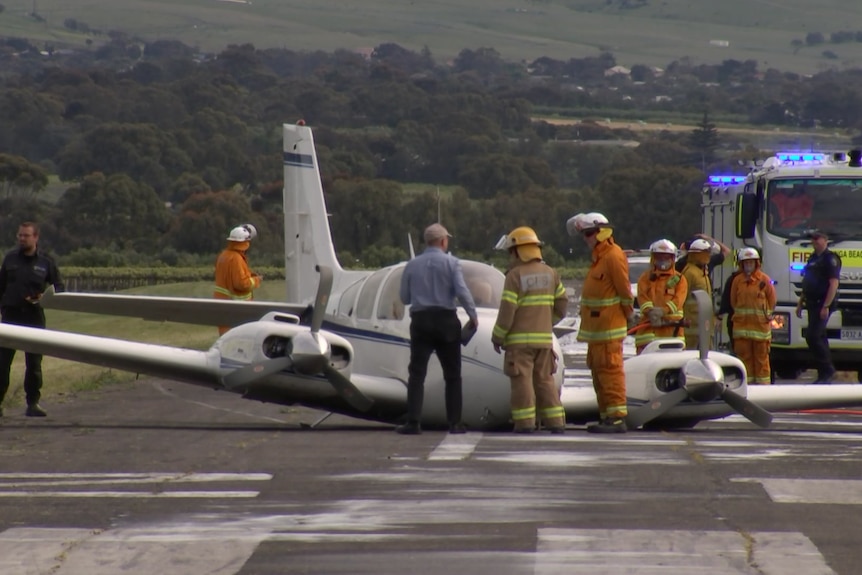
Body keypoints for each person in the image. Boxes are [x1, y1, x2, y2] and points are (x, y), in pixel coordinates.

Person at [397, 223, 477, 435]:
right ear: (443, 241)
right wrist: (473, 315)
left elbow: (404, 297)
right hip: (446, 322)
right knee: (452, 375)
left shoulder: (411, 265)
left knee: (416, 373)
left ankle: (413, 422)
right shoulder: (452, 263)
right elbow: (462, 291)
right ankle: (454, 423)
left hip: (421, 321)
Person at [491, 226, 568, 434]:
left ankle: (525, 423)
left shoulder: (514, 276)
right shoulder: (552, 274)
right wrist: (546, 322)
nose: (509, 257)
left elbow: (507, 312)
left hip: (519, 344)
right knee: (545, 381)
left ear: (518, 251)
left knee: (522, 381)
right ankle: (556, 423)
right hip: (544, 341)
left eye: (510, 253)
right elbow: (562, 305)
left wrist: (497, 337)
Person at [567, 212, 633, 433]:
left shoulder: (613, 255)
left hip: (608, 330)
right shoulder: (599, 257)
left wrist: (627, 315)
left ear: (600, 232)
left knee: (610, 372)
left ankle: (616, 419)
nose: (585, 239)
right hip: (596, 331)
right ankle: (606, 416)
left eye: (588, 234)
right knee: (598, 373)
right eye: (584, 235)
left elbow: (624, 291)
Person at [0, 222, 65, 417]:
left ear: (36, 238)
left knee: (34, 364)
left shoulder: (46, 262)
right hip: (10, 316)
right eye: (20, 235)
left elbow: (59, 287)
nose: (22, 239)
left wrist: (43, 298)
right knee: (2, 364)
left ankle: (33, 403)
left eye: (26, 236)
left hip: (34, 317)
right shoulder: (10, 259)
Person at [796, 230, 841, 383]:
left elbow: (833, 283)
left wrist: (826, 305)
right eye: (812, 239)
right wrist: (800, 302)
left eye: (817, 238)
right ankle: (824, 374)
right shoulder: (813, 258)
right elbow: (807, 282)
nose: (814, 242)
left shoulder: (830, 259)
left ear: (825, 240)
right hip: (811, 302)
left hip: (822, 303)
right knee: (820, 337)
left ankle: (828, 369)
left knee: (812, 336)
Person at [729, 248, 776, 385]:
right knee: (744, 360)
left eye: (751, 262)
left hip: (760, 330)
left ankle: (763, 389)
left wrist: (765, 316)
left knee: (762, 360)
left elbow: (772, 300)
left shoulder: (764, 280)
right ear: (741, 264)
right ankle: (747, 386)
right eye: (746, 262)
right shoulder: (737, 281)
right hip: (742, 330)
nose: (748, 265)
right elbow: (733, 302)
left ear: (757, 263)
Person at [633, 239, 688, 354]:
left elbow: (679, 300)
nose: (663, 260)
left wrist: (663, 311)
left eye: (666, 257)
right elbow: (642, 298)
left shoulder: (679, 279)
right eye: (659, 257)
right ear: (653, 258)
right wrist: (650, 312)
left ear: (672, 259)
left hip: (673, 333)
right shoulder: (645, 278)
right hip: (647, 332)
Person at [678, 234, 729, 350]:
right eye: (704, 254)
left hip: (704, 326)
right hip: (691, 327)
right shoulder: (689, 272)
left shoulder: (703, 272)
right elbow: (681, 298)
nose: (707, 257)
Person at [213, 224, 262, 335]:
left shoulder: (223, 255)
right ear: (245, 243)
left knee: (225, 339)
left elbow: (228, 275)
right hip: (236, 308)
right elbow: (241, 284)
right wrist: (256, 280)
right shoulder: (236, 258)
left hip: (221, 304)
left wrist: (249, 274)